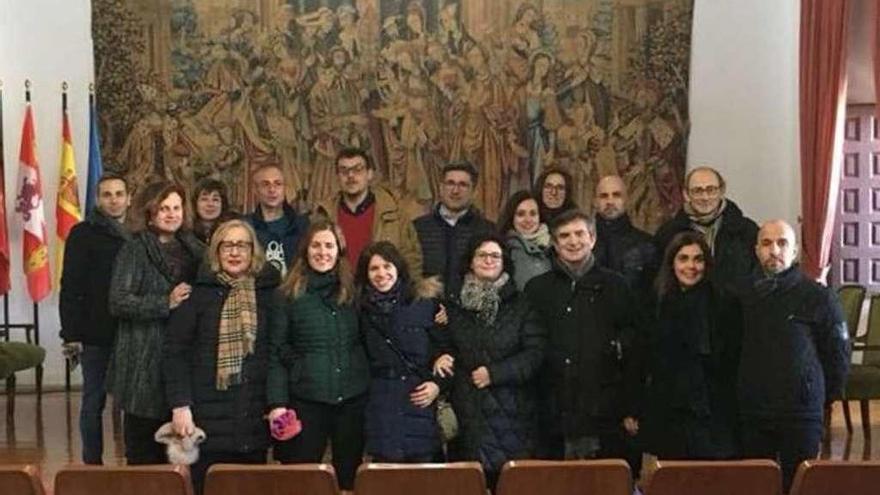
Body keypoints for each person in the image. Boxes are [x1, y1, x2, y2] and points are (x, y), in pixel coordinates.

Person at [163, 220, 279, 493]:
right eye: (227, 245)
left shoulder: (270, 296)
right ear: (216, 251)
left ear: (254, 251)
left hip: (253, 418)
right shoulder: (195, 297)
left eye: (242, 245)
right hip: (206, 420)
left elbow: (277, 352)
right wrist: (180, 406)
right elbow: (174, 354)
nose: (235, 252)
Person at [738, 220, 850, 492]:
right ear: (756, 250)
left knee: (801, 485)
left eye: (782, 243)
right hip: (753, 411)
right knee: (755, 485)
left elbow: (837, 354)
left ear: (795, 251)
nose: (773, 250)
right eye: (766, 243)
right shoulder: (741, 296)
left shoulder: (818, 297)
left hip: (801, 412)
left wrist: (825, 396)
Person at [524, 209, 642, 461]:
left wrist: (630, 407)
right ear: (555, 244)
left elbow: (634, 350)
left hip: (604, 413)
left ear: (593, 238)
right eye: (564, 236)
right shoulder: (537, 289)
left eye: (579, 233)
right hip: (552, 414)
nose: (573, 241)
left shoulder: (617, 286)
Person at [434, 233, 545, 489]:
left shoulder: (522, 305)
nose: (488, 260)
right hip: (466, 413)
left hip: (512, 416)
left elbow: (535, 353)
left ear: (504, 262)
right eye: (481, 255)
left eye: (495, 255)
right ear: (470, 262)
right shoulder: (453, 305)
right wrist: (439, 355)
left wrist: (495, 373)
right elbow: (442, 344)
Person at [107, 181, 204, 464]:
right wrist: (165, 302)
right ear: (150, 213)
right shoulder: (134, 250)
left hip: (184, 357)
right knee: (144, 453)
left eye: (176, 208)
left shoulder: (195, 248)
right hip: (142, 359)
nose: (171, 214)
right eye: (164, 208)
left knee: (184, 452)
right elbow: (118, 300)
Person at [267, 219, 368, 491]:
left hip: (351, 398)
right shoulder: (287, 294)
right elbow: (276, 352)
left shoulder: (355, 291)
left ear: (339, 251)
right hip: (307, 398)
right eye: (316, 245)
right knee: (303, 479)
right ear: (305, 250)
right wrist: (277, 404)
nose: (322, 252)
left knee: (350, 478)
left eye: (329, 245)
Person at [641, 231, 741, 463]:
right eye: (683, 258)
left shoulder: (725, 302)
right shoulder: (657, 302)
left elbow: (732, 359)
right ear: (671, 263)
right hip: (669, 410)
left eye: (698, 259)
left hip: (711, 410)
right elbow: (647, 356)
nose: (691, 266)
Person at [59, 174, 132, 465]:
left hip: (130, 331)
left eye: (119, 194)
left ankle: (134, 460)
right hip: (95, 333)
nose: (113, 200)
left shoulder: (138, 234)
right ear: (98, 199)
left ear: (129, 198)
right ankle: (92, 463)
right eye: (107, 194)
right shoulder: (82, 233)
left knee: (132, 404)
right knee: (93, 401)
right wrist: (71, 333)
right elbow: (71, 286)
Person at [355, 241, 445, 462]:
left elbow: (448, 351)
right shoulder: (359, 309)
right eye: (374, 268)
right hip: (380, 405)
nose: (381, 273)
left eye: (387, 266)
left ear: (398, 268)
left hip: (420, 401)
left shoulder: (424, 303)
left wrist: (438, 385)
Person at [313, 147, 423, 276]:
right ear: (337, 177)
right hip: (338, 292)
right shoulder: (324, 215)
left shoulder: (395, 214)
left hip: (382, 291)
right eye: (344, 171)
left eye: (357, 169)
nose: (350, 176)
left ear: (370, 174)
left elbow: (412, 259)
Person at [654, 167, 758, 289]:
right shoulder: (668, 233)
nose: (705, 197)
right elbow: (660, 278)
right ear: (686, 194)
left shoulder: (746, 230)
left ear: (722, 191)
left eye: (711, 190)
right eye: (697, 191)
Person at [413, 161, 495, 299]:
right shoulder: (418, 228)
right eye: (450, 183)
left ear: (474, 192)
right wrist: (418, 284)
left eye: (463, 185)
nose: (455, 190)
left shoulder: (488, 230)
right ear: (440, 188)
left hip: (471, 312)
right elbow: (404, 270)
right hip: (428, 310)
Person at [593, 175, 656, 301]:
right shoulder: (582, 243)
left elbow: (652, 295)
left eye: (616, 195)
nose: (610, 201)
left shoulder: (645, 244)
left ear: (627, 199)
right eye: (604, 196)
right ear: (595, 202)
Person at [246, 164, 309, 277]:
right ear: (256, 190)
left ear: (285, 188)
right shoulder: (245, 227)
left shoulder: (303, 225)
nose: (272, 189)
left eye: (278, 184)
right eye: (265, 184)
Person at [497, 190, 551, 290]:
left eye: (533, 214)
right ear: (511, 217)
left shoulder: (554, 245)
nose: (528, 219)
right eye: (521, 214)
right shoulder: (504, 249)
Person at [192, 178, 238, 244]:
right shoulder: (186, 234)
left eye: (215, 199)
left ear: (223, 204)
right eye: (204, 199)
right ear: (195, 203)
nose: (210, 204)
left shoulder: (233, 230)